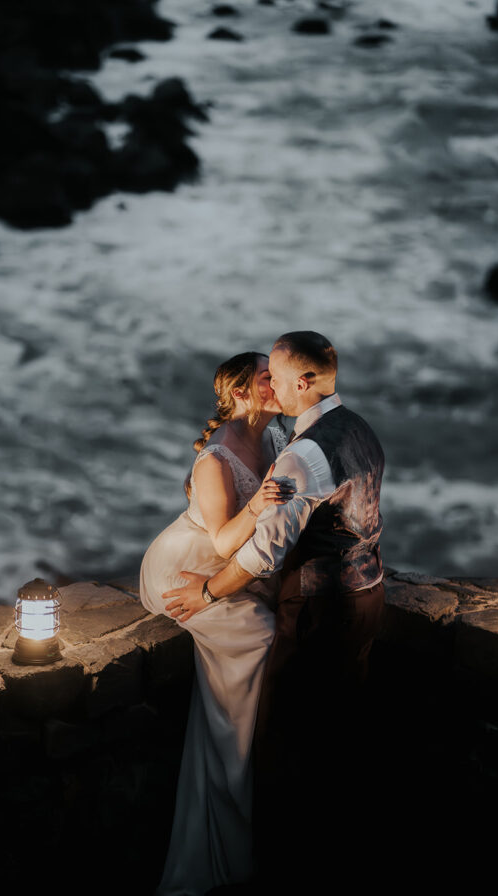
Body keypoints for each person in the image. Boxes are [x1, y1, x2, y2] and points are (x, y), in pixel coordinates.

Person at [164, 331, 386, 893]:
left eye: (279, 379)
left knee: (290, 746)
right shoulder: (359, 428)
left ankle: (291, 872)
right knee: (338, 735)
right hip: (369, 595)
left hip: (319, 609)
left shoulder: (301, 454)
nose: (274, 389)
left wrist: (208, 593)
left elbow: (263, 553)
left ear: (304, 382)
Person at [139, 351, 294, 896]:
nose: (278, 384)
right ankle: (236, 784)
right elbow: (226, 539)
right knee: (264, 636)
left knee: (272, 632)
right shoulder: (215, 458)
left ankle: (231, 798)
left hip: (225, 571)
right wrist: (260, 503)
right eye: (267, 378)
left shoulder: (275, 437)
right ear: (240, 393)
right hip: (184, 571)